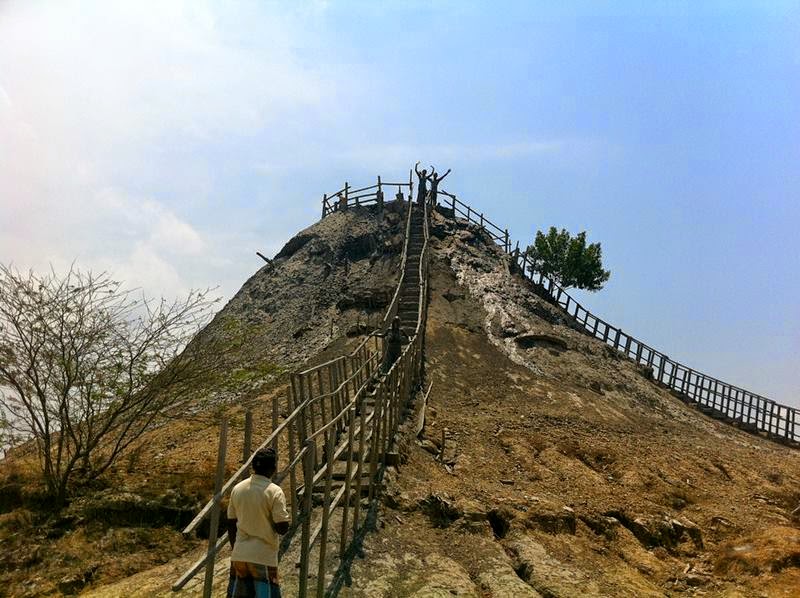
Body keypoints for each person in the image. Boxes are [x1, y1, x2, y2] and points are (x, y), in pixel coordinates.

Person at [226, 447, 290, 598]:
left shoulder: (238, 488)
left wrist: (237, 547)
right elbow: (282, 528)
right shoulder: (274, 491)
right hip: (263, 556)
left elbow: (231, 523)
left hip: (240, 554)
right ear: (273, 468)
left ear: (253, 466)